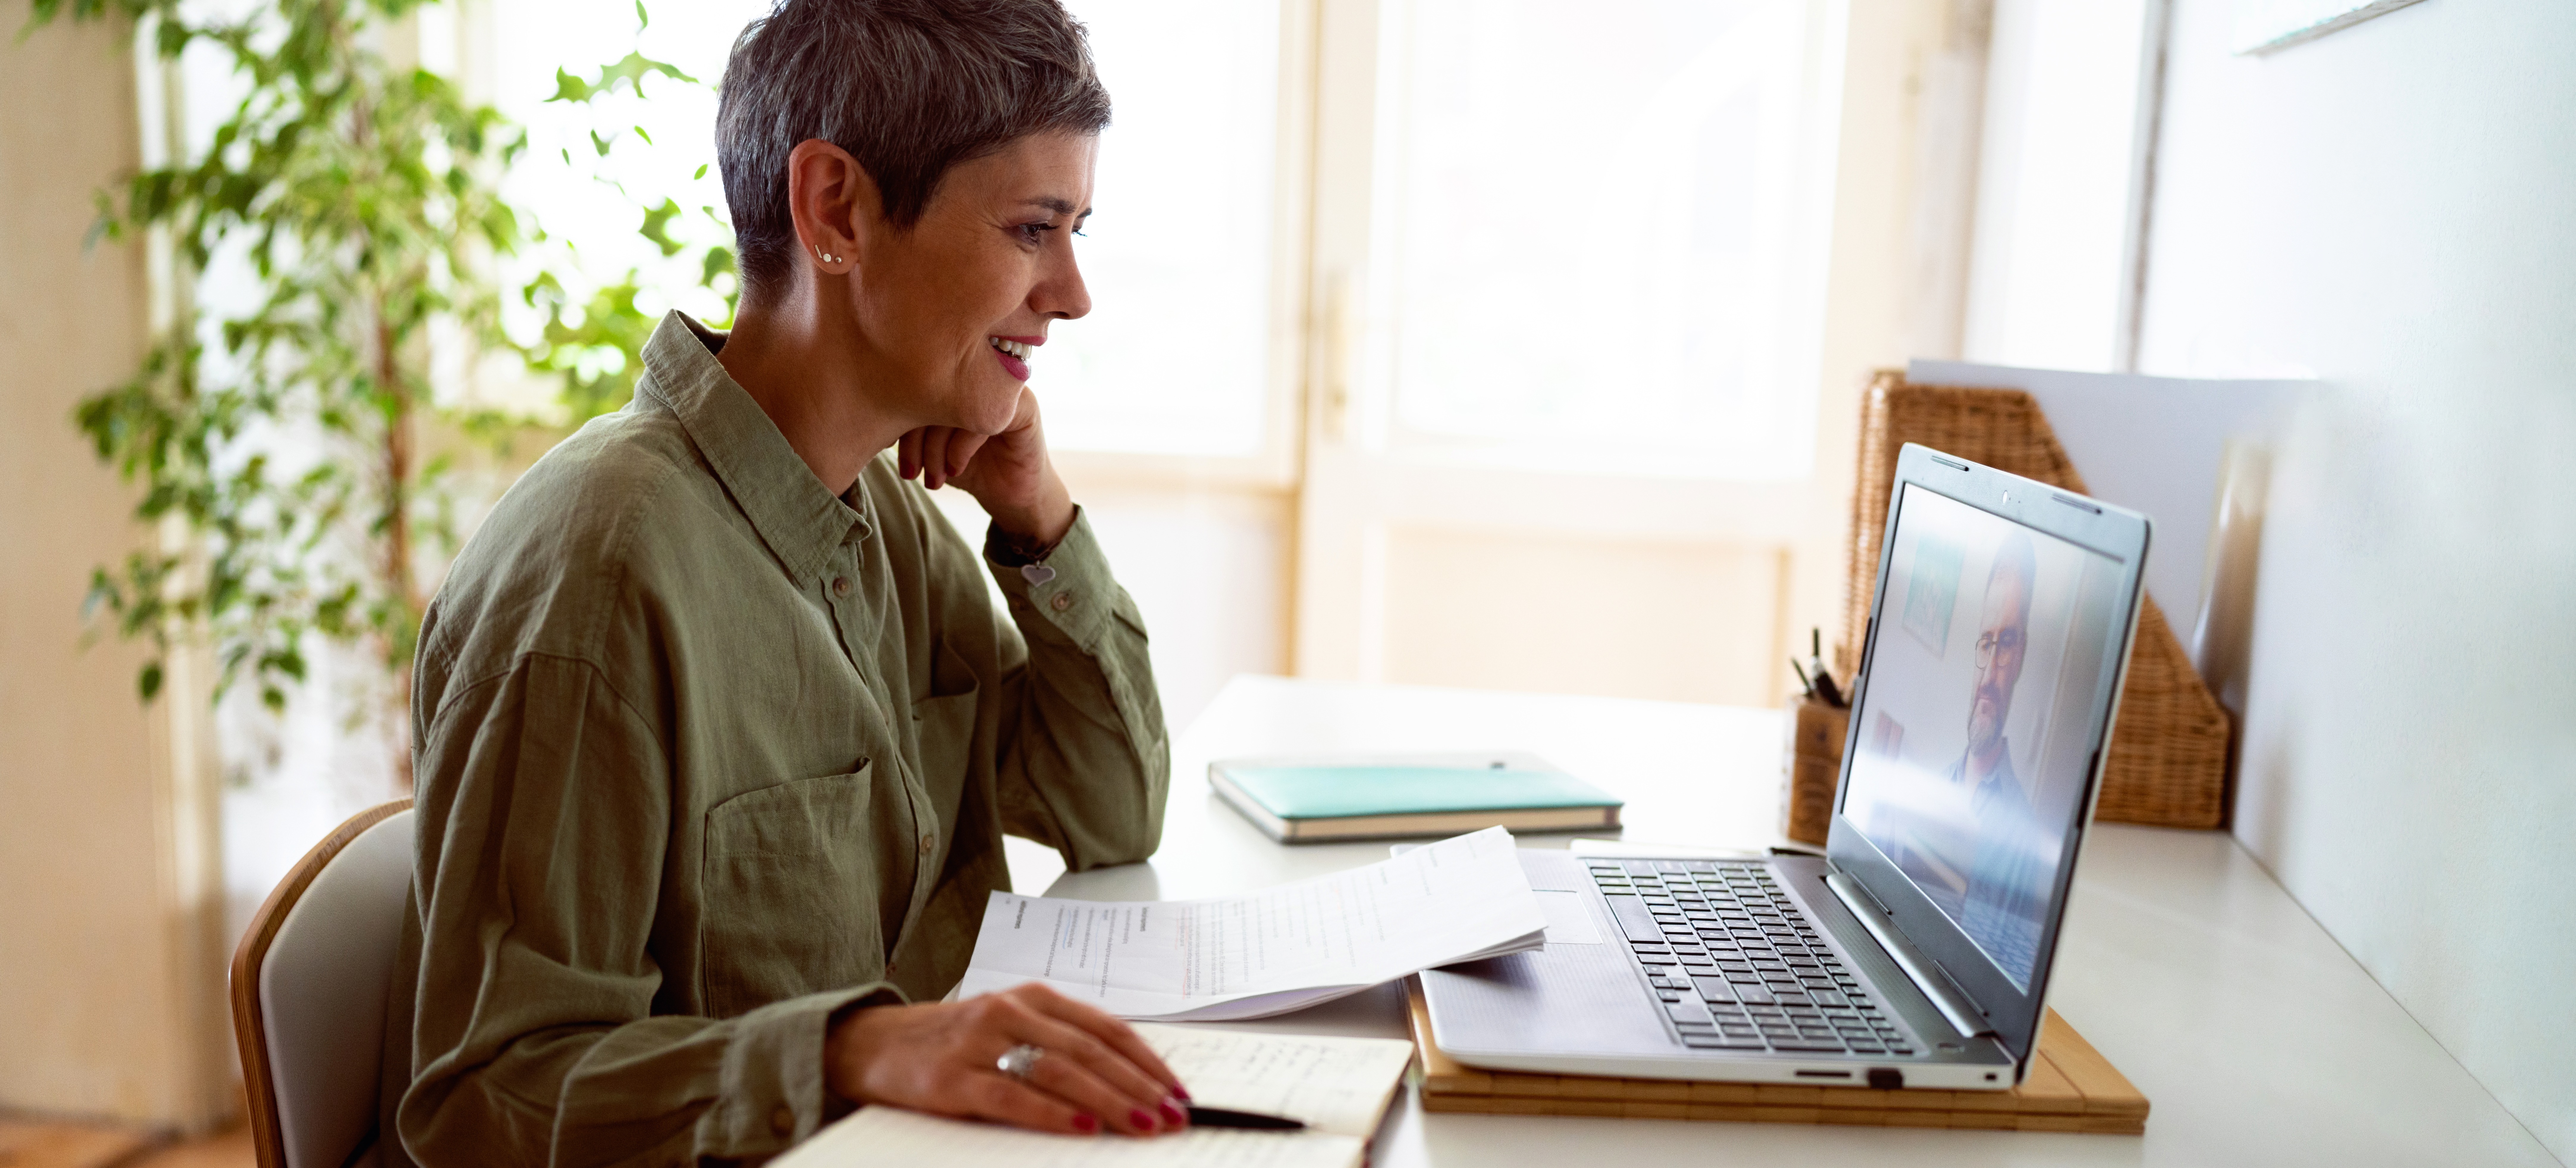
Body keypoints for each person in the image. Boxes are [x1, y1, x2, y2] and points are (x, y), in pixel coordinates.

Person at [377, 2, 1191, 1163]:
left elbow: (1110, 812)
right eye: (1031, 230)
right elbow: (481, 1101)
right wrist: (853, 1054)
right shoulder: (597, 580)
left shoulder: (894, 520)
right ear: (835, 211)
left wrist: (1038, 520)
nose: (1071, 291)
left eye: (1076, 233)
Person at [1947, 531, 2049, 980]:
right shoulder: (1932, 787)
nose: (1988, 674)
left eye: (2005, 644)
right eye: (1987, 642)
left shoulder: (2025, 844)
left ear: (2021, 654)